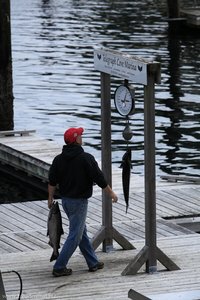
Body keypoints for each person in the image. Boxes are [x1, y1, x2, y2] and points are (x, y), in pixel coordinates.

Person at [48, 127, 118, 277]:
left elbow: (52, 181)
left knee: (81, 232)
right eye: (80, 135)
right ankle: (59, 266)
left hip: (66, 202)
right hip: (79, 202)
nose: (82, 136)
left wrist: (50, 198)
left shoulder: (58, 159)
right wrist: (111, 193)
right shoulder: (86, 158)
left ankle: (92, 262)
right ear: (76, 139)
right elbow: (99, 178)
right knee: (75, 235)